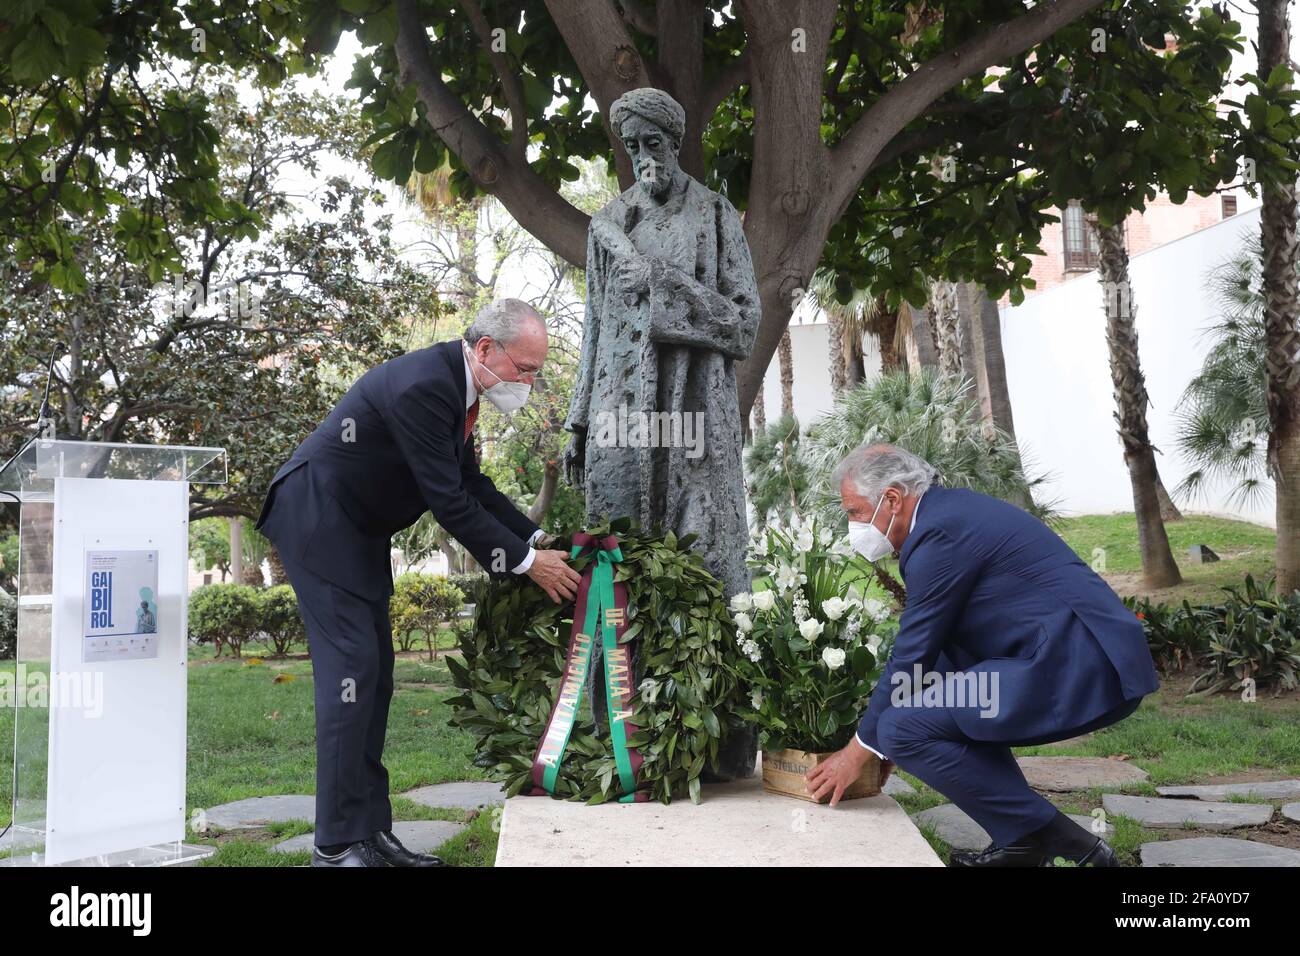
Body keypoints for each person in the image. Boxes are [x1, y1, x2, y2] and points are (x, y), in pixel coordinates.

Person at [255, 298, 582, 867]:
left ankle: (370, 834)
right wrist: (527, 566)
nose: (528, 383)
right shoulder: (425, 388)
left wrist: (535, 540)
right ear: (485, 349)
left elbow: (472, 484)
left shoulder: (459, 392)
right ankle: (334, 848)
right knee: (350, 676)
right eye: (525, 369)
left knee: (373, 677)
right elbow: (450, 504)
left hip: (355, 532)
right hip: (319, 521)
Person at [806, 444, 1158, 866]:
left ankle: (1075, 846)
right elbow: (937, 651)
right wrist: (882, 746)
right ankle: (1021, 845)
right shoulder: (943, 517)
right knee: (916, 723)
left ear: (893, 499)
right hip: (1051, 658)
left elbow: (913, 652)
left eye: (855, 512)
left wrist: (863, 746)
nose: (853, 525)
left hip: (1077, 664)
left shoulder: (939, 533)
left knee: (902, 727)